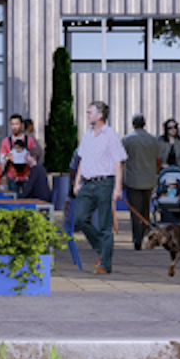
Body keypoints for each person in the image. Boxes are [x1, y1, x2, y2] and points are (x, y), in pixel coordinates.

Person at [69, 100, 126, 275]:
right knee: (80, 218)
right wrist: (77, 182)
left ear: (100, 115)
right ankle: (102, 249)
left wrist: (117, 188)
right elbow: (82, 160)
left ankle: (105, 265)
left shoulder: (111, 135)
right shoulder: (87, 135)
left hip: (105, 183)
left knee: (104, 225)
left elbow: (119, 161)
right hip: (87, 183)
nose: (87, 115)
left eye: (90, 112)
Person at [121, 113, 163, 250]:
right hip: (149, 179)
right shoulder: (153, 140)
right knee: (145, 209)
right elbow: (159, 160)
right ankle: (145, 233)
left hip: (133, 180)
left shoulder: (127, 139)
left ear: (133, 124)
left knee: (135, 211)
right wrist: (154, 172)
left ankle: (137, 239)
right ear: (144, 124)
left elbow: (120, 160)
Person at [0, 113, 36, 194]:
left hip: (27, 176)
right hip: (12, 176)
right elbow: (2, 160)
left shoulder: (29, 140)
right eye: (12, 124)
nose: (14, 127)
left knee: (28, 200)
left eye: (16, 124)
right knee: (13, 201)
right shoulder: (6, 141)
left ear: (22, 125)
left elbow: (35, 157)